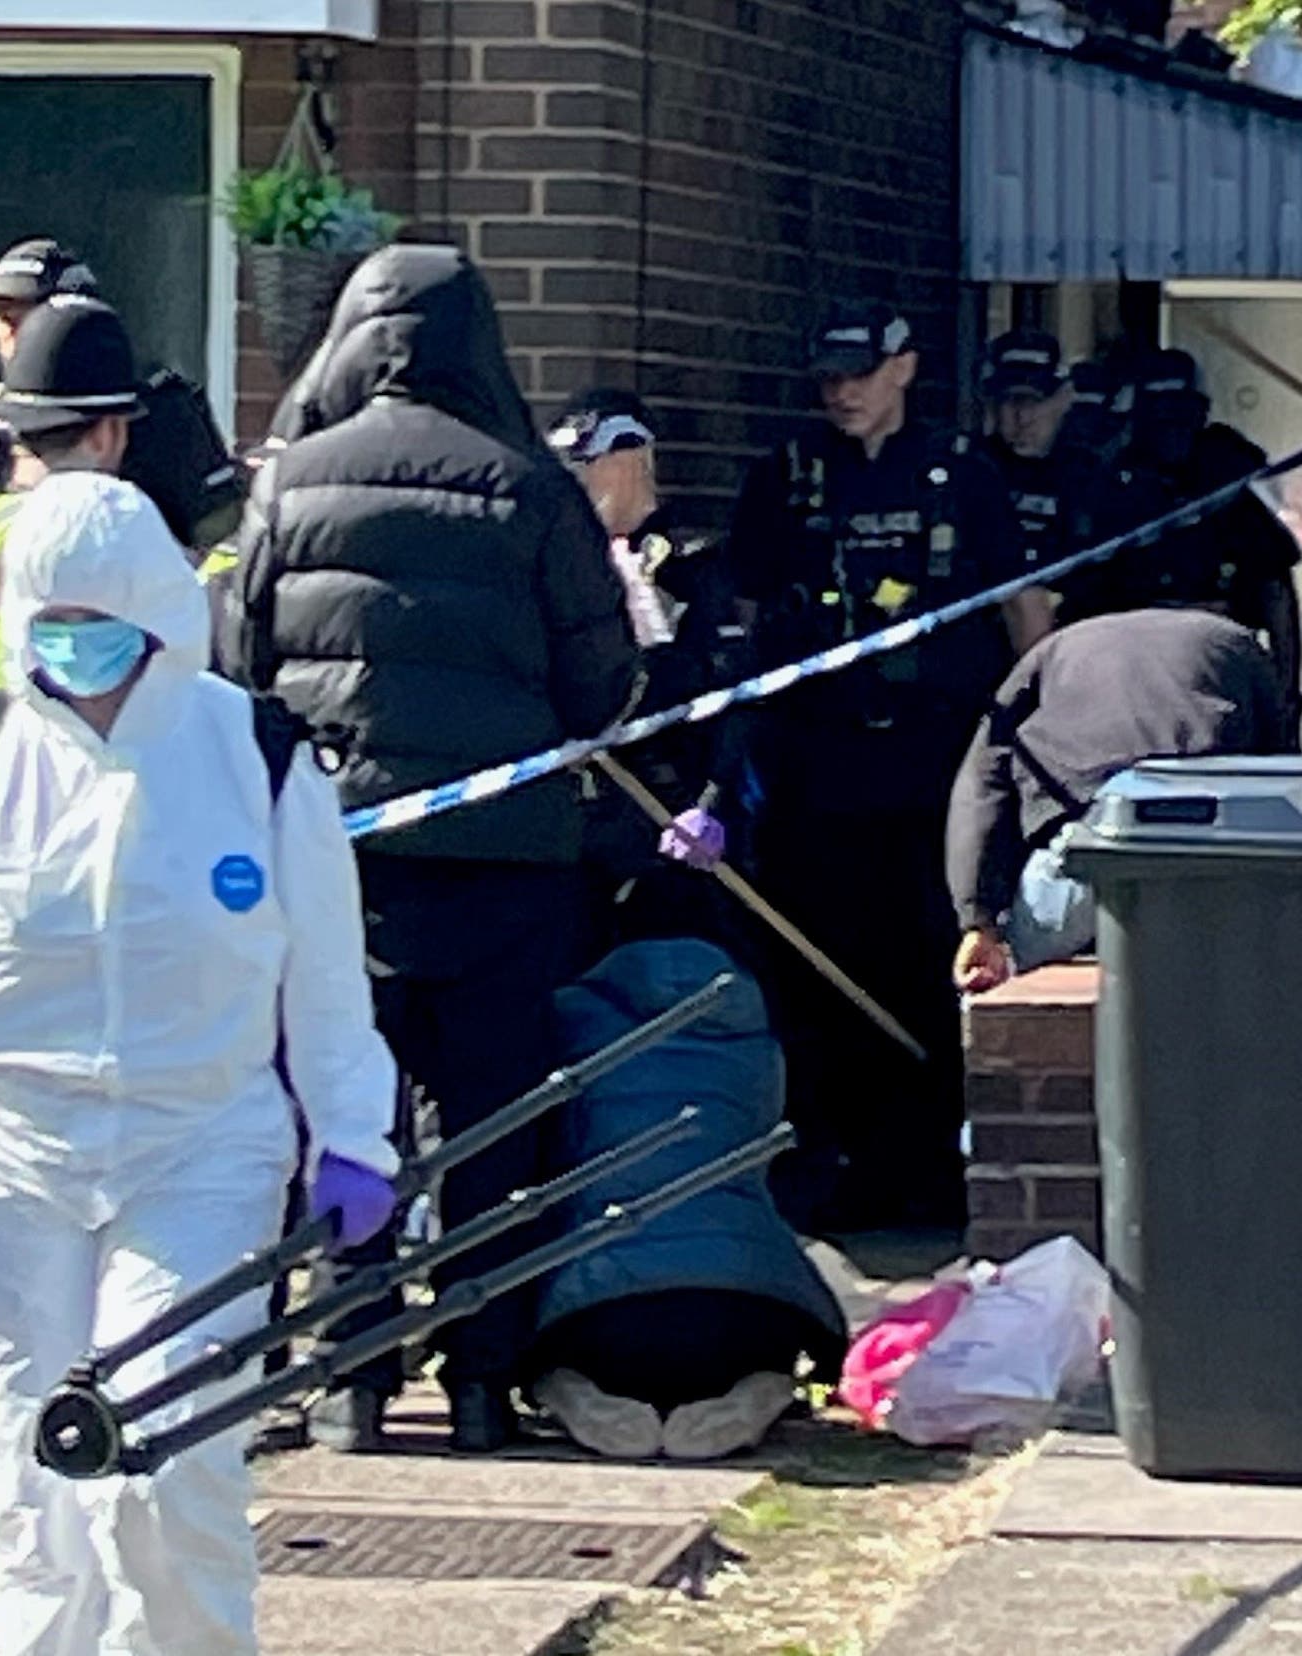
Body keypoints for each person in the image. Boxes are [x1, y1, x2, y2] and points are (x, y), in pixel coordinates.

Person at [0, 469, 401, 1655]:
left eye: (107, 625)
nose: (79, 649)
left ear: (161, 616)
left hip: (199, 1147)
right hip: (2, 1166)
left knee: (164, 1458)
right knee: (36, 1494)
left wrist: (355, 1137)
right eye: (56, 622)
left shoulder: (257, 752)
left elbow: (328, 969)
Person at [223, 245, 638, 1454]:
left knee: (343, 1119)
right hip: (508, 864)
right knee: (495, 1125)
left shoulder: (290, 483)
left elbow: (241, 664)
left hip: (337, 862)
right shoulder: (531, 487)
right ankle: (478, 1377)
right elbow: (601, 681)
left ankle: (350, 1371)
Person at [723, 299, 1033, 1237]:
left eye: (860, 372)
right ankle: (836, 1158)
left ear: (904, 367)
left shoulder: (964, 476)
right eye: (829, 376)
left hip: (933, 765)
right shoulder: (786, 479)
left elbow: (1023, 613)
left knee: (929, 960)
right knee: (819, 969)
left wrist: (1031, 736)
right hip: (817, 768)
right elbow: (738, 613)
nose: (843, 392)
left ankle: (931, 1160)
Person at [0, 239, 243, 675]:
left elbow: (223, 554)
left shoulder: (159, 410)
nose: (11, 335)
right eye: (1, 321)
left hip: (133, 686)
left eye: (23, 317)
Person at [529, 939, 849, 1461]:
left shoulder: (572, 1026)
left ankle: (570, 1392)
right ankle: (759, 1390)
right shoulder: (753, 1039)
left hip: (597, 1312)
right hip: (746, 1305)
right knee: (765, 1337)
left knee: (548, 1343)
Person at [947, 607, 1295, 992]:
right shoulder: (1232, 641)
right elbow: (1280, 772)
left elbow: (981, 785)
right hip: (1208, 835)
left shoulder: (1052, 651)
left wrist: (978, 923)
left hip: (1093, 836)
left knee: (1017, 1003)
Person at [546, 388, 754, 959]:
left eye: (584, 467)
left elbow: (732, 695)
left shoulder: (691, 562)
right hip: (583, 815)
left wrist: (709, 804)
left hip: (671, 806)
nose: (575, 484)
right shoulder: (561, 562)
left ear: (631, 459)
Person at [1057, 349, 1302, 729]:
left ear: (1202, 411)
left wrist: (1287, 688)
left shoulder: (1228, 471)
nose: (1171, 431)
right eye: (1159, 417)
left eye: (1181, 415)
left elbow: (1276, 588)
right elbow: (1083, 597)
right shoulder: (1109, 479)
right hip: (1133, 659)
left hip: (1221, 655)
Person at [978, 329, 1120, 593]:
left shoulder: (1088, 478)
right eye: (1010, 401)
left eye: (1035, 401)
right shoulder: (973, 473)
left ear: (1065, 399)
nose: (1023, 417)